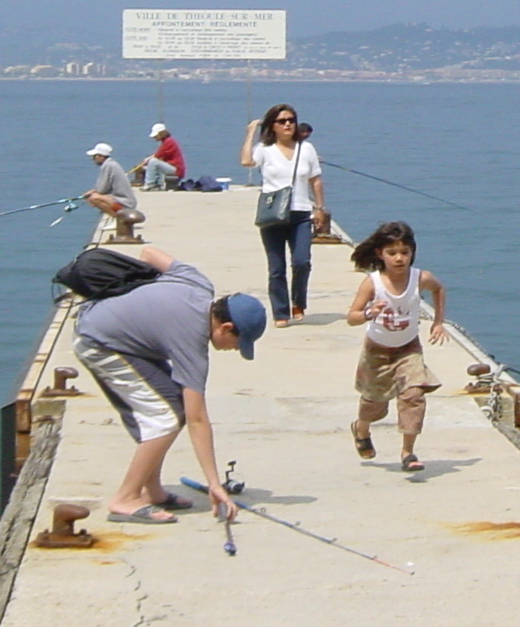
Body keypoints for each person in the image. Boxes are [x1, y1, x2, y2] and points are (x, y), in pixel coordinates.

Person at [69, 245, 265, 524]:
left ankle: (153, 491)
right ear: (226, 328)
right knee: (166, 416)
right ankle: (125, 498)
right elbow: (197, 419)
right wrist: (214, 484)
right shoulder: (192, 340)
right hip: (98, 342)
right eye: (237, 343)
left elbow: (148, 253)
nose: (235, 349)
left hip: (100, 318)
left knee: (168, 405)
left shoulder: (198, 283)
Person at [345, 220, 447, 473]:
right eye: (392, 253)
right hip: (377, 351)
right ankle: (361, 429)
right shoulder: (373, 283)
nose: (399, 259)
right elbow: (352, 317)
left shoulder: (420, 278)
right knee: (374, 401)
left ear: (413, 252)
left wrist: (438, 323)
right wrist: (370, 312)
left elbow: (439, 289)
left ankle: (408, 452)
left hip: (408, 348)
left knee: (414, 395)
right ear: (380, 253)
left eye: (405, 252)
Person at [239, 105, 327, 327]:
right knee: (277, 268)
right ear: (273, 126)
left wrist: (319, 208)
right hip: (273, 214)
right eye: (282, 121)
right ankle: (281, 312)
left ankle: (298, 302)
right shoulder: (265, 149)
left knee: (302, 262)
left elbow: (315, 180)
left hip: (300, 212)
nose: (288, 124)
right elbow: (247, 161)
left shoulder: (306, 149)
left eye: (291, 120)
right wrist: (251, 133)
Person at [83, 143, 145, 242]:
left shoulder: (107, 166)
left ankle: (118, 219)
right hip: (124, 200)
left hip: (125, 203)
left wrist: (91, 193)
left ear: (101, 156)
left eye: (95, 156)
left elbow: (101, 189)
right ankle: (116, 218)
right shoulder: (111, 164)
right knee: (94, 196)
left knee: (94, 198)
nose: (93, 159)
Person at [135, 124, 187, 191]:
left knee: (153, 162)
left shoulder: (169, 142)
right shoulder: (166, 142)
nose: (155, 138)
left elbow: (157, 156)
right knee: (151, 165)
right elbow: (159, 156)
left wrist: (146, 160)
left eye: (156, 136)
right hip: (172, 167)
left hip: (176, 169)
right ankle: (157, 184)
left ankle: (149, 184)